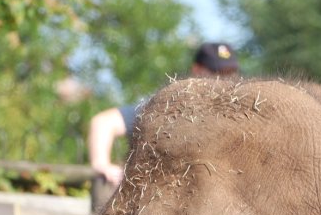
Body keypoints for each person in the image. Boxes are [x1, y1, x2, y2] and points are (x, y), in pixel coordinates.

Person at [87, 42, 242, 187]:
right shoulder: (173, 106)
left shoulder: (238, 113)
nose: (224, 80)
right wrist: (102, 164)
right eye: (216, 72)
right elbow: (104, 122)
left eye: (229, 73)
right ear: (197, 70)